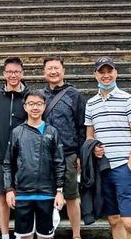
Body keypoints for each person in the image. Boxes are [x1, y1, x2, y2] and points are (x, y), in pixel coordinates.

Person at [85, 56, 131, 239]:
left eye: (109, 71)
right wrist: (94, 148)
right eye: (101, 72)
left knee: (129, 221)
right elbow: (90, 136)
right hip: (104, 168)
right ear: (95, 75)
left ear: (115, 73)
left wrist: (130, 164)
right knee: (113, 219)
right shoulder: (91, 104)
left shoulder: (128, 100)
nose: (106, 75)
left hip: (123, 167)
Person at [3, 90, 66, 239]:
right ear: (25, 107)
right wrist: (9, 189)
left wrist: (59, 191)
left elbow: (59, 163)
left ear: (44, 107)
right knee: (25, 236)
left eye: (39, 104)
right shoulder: (17, 132)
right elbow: (8, 163)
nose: (35, 108)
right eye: (31, 104)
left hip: (47, 193)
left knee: (46, 236)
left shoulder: (52, 132)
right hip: (24, 193)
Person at [42, 55, 86, 239]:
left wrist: (80, 155)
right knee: (45, 196)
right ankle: (46, 233)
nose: (53, 72)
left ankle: (76, 234)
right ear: (44, 73)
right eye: (49, 69)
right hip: (43, 154)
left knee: (71, 196)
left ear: (63, 71)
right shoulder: (39, 96)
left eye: (56, 68)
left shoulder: (74, 95)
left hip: (68, 153)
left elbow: (82, 126)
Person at [0, 56, 29, 239]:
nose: (13, 75)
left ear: (22, 73)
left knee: (22, 198)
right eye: (10, 72)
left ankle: (22, 233)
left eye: (17, 72)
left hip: (24, 157)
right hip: (0, 155)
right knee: (3, 198)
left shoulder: (30, 98)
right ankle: (5, 234)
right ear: (4, 74)